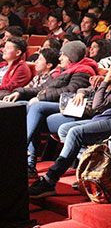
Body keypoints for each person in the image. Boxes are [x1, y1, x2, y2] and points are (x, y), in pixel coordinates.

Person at [28, 41, 111, 197]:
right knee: (66, 129)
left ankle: (50, 180)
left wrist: (97, 118)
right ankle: (91, 167)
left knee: (75, 132)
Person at [4, 41, 98, 177]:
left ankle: (21, 150)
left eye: (63, 55)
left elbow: (70, 90)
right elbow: (42, 88)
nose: (60, 59)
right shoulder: (65, 70)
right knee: (21, 107)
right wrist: (20, 92)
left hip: (70, 110)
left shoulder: (83, 70)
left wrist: (41, 98)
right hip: (53, 107)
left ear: (72, 57)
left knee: (36, 106)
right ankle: (29, 165)